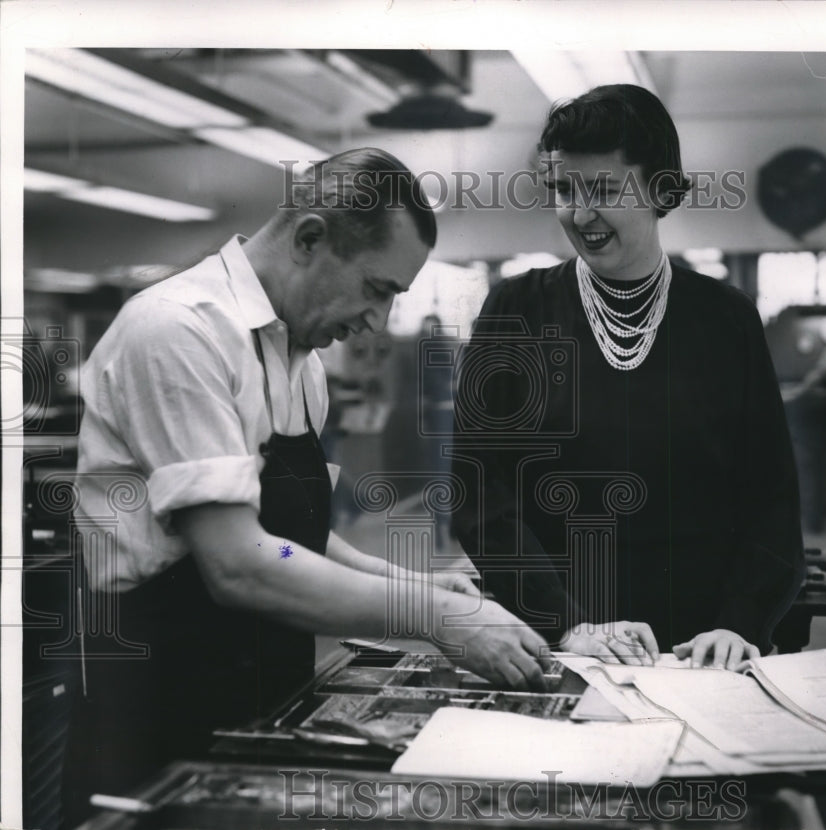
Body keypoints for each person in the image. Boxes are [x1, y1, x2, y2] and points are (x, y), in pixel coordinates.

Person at [62, 148, 549, 826]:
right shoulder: (179, 331)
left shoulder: (299, 360)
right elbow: (239, 564)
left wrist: (418, 587)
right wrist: (437, 619)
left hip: (264, 698)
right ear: (311, 237)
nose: (377, 323)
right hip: (163, 712)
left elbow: (291, 538)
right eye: (377, 290)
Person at [451, 85, 804, 673]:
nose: (580, 214)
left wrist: (740, 623)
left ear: (661, 189)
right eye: (564, 189)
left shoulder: (727, 319)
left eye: (605, 189)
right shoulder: (514, 310)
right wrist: (568, 626)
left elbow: (771, 497)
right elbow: (480, 495)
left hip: (701, 654)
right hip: (566, 647)